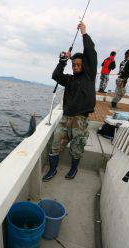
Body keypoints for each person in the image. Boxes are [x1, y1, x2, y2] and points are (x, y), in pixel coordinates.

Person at [43, 22, 97, 181]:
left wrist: (84, 33)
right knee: (55, 146)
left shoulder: (89, 76)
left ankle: (73, 169)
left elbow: (91, 52)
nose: (75, 66)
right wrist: (62, 61)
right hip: (65, 119)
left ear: (85, 65)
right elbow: (56, 76)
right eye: (73, 64)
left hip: (81, 120)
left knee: (77, 148)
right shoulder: (69, 79)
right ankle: (52, 170)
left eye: (78, 64)